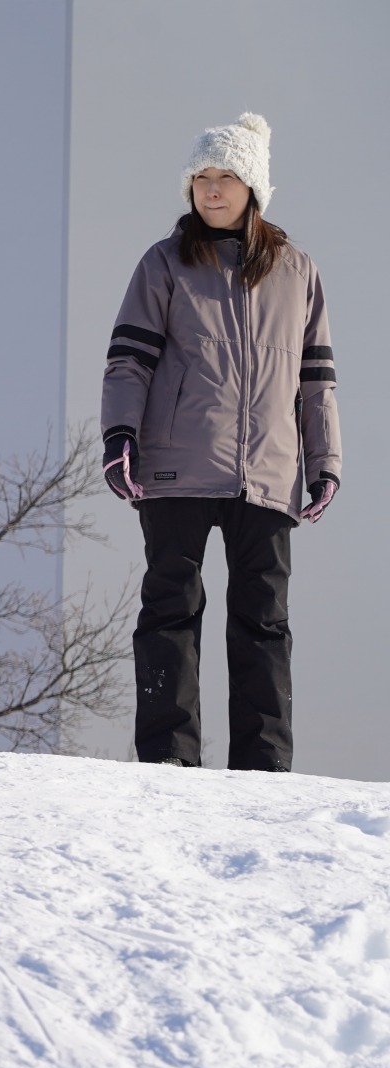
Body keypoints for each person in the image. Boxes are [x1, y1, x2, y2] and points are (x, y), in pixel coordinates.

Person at [100, 112, 340, 772]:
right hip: (176, 465)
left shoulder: (297, 271)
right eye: (201, 177)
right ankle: (169, 761)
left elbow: (316, 380)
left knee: (264, 619)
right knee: (170, 608)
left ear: (252, 186)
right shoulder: (165, 263)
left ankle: (264, 768)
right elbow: (128, 361)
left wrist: (324, 462)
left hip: (269, 471)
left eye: (225, 176)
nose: (210, 188)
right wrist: (119, 437)